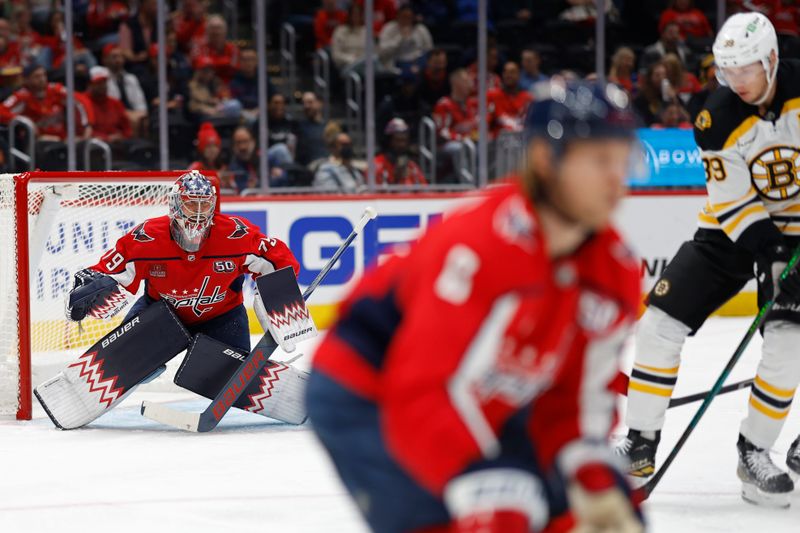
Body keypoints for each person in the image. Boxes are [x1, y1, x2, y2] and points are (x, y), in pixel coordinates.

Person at [306, 80, 644, 533]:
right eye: (601, 160)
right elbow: (422, 392)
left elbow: (572, 407)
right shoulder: (482, 245)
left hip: (481, 392)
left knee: (565, 511)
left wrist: (595, 479)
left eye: (623, 160)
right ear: (547, 161)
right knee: (469, 516)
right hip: (366, 389)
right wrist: (487, 486)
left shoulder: (613, 270)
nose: (616, 179)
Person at [617, 12, 800, 508]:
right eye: (728, 70)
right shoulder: (715, 115)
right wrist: (775, 255)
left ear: (771, 60)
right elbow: (734, 203)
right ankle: (639, 443)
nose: (737, 81)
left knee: (788, 343)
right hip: (732, 231)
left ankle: (754, 452)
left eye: (746, 69)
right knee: (658, 324)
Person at [65, 171, 299, 398]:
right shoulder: (147, 237)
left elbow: (277, 259)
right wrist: (85, 290)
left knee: (227, 381)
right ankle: (141, 366)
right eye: (190, 204)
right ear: (175, 204)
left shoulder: (234, 234)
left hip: (222, 317)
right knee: (127, 366)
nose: (198, 213)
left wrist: (280, 302)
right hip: (160, 315)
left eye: (204, 205)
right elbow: (109, 272)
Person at [0, 63, 91, 142]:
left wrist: (87, 125)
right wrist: (25, 121)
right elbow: (1, 112)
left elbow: (80, 100)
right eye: (37, 76)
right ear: (26, 80)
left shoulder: (55, 90)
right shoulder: (21, 96)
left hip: (63, 140)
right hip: (37, 143)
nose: (42, 79)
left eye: (44, 75)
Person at [104, 44, 148, 137]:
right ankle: (133, 148)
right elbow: (111, 104)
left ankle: (145, 148)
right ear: (105, 59)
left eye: (120, 56)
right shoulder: (103, 78)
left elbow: (140, 102)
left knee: (144, 119)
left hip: (133, 113)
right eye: (114, 57)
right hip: (112, 115)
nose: (118, 60)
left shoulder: (131, 78)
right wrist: (129, 114)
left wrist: (140, 113)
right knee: (133, 120)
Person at [377, 4, 433, 74]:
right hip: (396, 63)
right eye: (404, 17)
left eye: (409, 17)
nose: (406, 20)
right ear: (398, 16)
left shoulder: (420, 29)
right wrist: (400, 38)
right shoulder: (389, 28)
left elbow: (429, 49)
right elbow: (382, 52)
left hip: (418, 62)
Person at [84, 66, 132, 143]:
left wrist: (122, 136)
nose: (102, 86)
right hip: (94, 145)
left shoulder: (116, 103)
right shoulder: (82, 103)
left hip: (117, 145)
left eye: (104, 82)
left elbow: (127, 129)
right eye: (98, 83)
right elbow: (82, 130)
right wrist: (106, 138)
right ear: (89, 85)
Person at [375, 118, 427, 186]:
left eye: (404, 140)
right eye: (398, 140)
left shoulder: (412, 167)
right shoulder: (377, 164)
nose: (402, 145)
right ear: (389, 141)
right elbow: (374, 194)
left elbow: (425, 192)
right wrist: (396, 179)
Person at [488, 61, 534, 134]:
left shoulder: (528, 98)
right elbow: (485, 123)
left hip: (522, 140)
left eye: (512, 72)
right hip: (498, 142)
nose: (508, 75)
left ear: (519, 75)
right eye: (505, 72)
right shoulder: (492, 95)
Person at [295, 91, 331, 168]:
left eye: (310, 102)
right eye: (304, 103)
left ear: (320, 104)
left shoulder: (329, 127)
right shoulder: (298, 127)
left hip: (328, 166)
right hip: (308, 168)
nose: (306, 106)